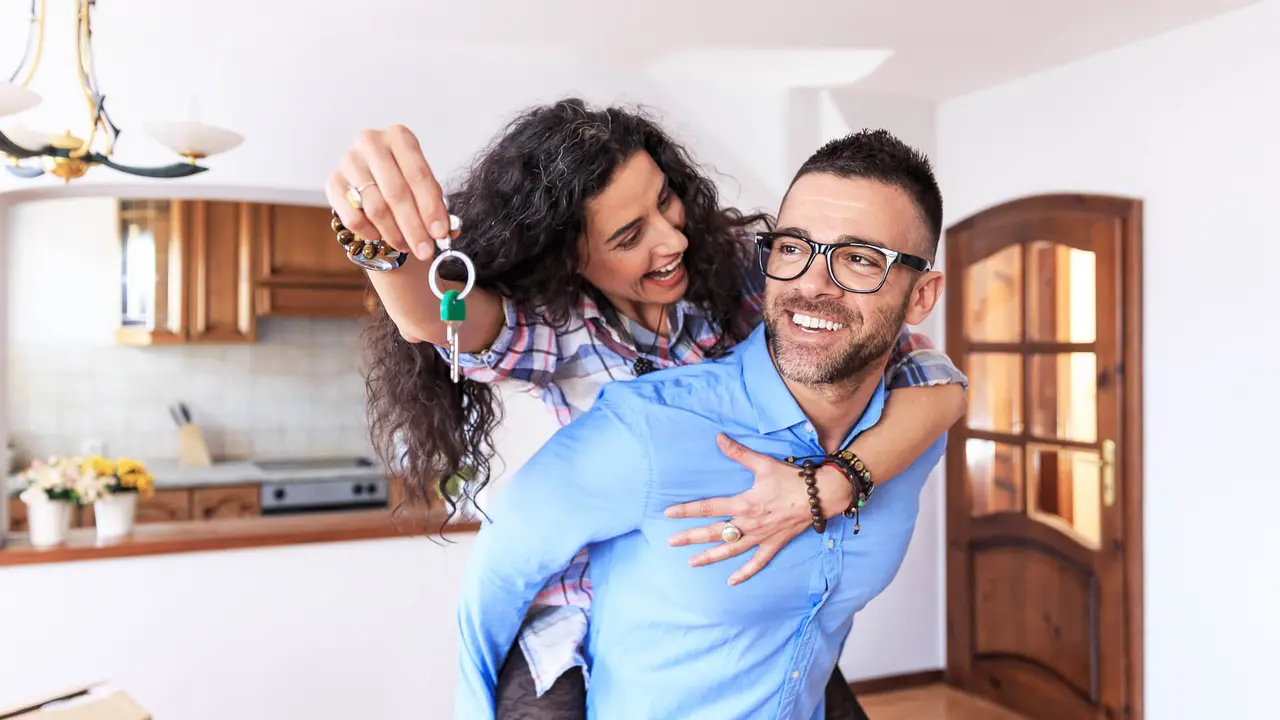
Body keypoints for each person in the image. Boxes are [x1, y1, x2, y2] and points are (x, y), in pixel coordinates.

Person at [325, 100, 967, 718]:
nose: (673, 240)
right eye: (630, 235)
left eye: (666, 200)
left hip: (736, 576)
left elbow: (927, 376)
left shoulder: (748, 270)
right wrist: (372, 232)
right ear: (567, 255)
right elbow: (432, 320)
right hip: (584, 598)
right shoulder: (561, 331)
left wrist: (828, 484)